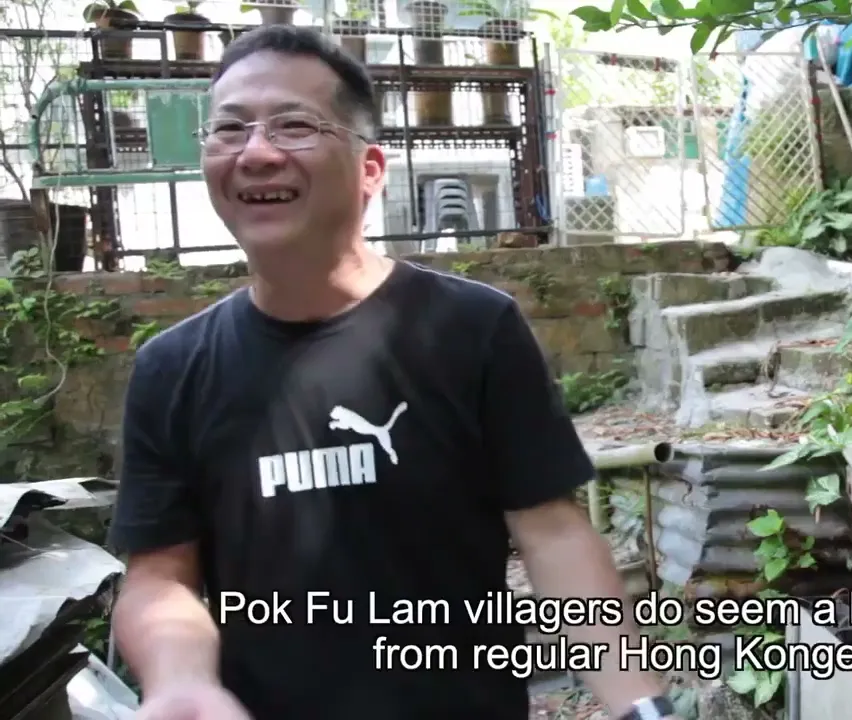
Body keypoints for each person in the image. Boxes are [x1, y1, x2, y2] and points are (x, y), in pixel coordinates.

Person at [108, 25, 678, 720]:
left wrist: (641, 708)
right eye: (230, 129)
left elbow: (552, 534)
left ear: (370, 169)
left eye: (294, 125)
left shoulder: (472, 329)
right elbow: (160, 576)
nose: (256, 153)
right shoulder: (172, 369)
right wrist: (179, 680)